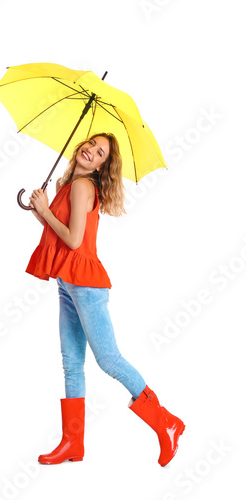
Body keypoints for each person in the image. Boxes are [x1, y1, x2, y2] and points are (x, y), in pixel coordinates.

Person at [26, 132, 185, 466]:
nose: (91, 151)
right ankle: (72, 443)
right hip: (67, 284)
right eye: (91, 144)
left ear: (101, 166)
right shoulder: (68, 184)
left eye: (99, 153)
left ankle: (166, 422)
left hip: (85, 286)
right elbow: (60, 230)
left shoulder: (84, 187)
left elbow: (72, 240)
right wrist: (40, 211)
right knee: (71, 363)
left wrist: (46, 210)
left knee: (109, 359)